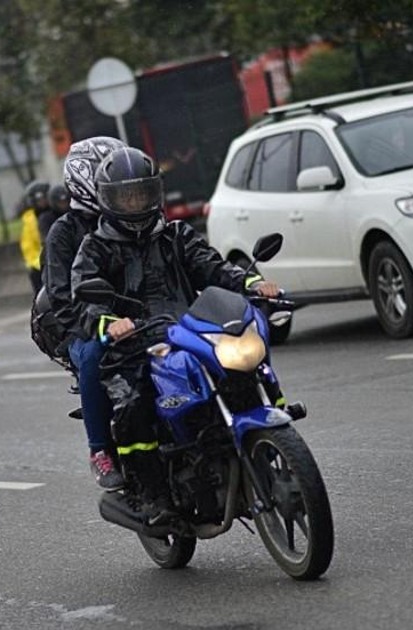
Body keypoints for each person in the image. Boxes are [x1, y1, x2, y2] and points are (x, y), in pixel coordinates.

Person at [70, 147, 280, 514]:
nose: (136, 203)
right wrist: (108, 321)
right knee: (135, 404)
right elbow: (84, 296)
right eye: (126, 196)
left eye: (142, 193)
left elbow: (212, 268)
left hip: (187, 330)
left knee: (242, 365)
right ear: (109, 199)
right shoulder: (96, 247)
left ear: (156, 193)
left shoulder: (176, 235)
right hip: (134, 342)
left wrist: (250, 283)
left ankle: (272, 421)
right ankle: (153, 494)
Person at [39, 136, 126, 490]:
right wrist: (98, 323)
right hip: (84, 328)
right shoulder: (63, 232)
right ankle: (100, 449)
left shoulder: (137, 217)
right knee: (94, 355)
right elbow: (62, 298)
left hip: (140, 319)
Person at [20, 181, 50, 294]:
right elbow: (28, 247)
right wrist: (39, 263)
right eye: (38, 200)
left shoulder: (56, 213)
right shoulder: (29, 219)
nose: (42, 202)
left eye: (44, 198)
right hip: (41, 263)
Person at [36, 183, 68, 248]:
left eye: (65, 201)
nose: (63, 205)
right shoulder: (46, 218)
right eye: (60, 203)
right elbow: (46, 240)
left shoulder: (73, 214)